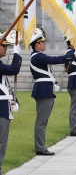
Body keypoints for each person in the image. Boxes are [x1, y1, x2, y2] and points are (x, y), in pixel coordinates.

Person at [30, 29, 73, 156]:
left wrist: (52, 83)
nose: (44, 44)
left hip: (45, 88)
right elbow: (55, 60)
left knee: (43, 120)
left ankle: (41, 145)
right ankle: (40, 147)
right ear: (37, 45)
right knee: (41, 120)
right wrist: (72, 55)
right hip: (43, 89)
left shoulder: (39, 56)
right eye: (42, 42)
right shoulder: (38, 56)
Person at [0, 33, 22, 174]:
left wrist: (15, 101)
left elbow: (6, 86)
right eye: (4, 46)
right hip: (0, 110)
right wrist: (17, 55)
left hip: (5, 109)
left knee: (3, 144)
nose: (6, 48)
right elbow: (14, 69)